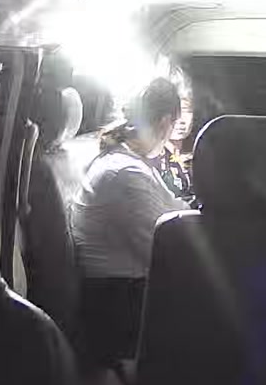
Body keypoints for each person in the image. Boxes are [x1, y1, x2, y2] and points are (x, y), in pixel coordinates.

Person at [72, 76, 191, 280]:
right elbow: (167, 254)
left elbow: (175, 206)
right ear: (165, 123)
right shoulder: (125, 174)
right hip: (120, 291)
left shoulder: (131, 163)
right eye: (174, 124)